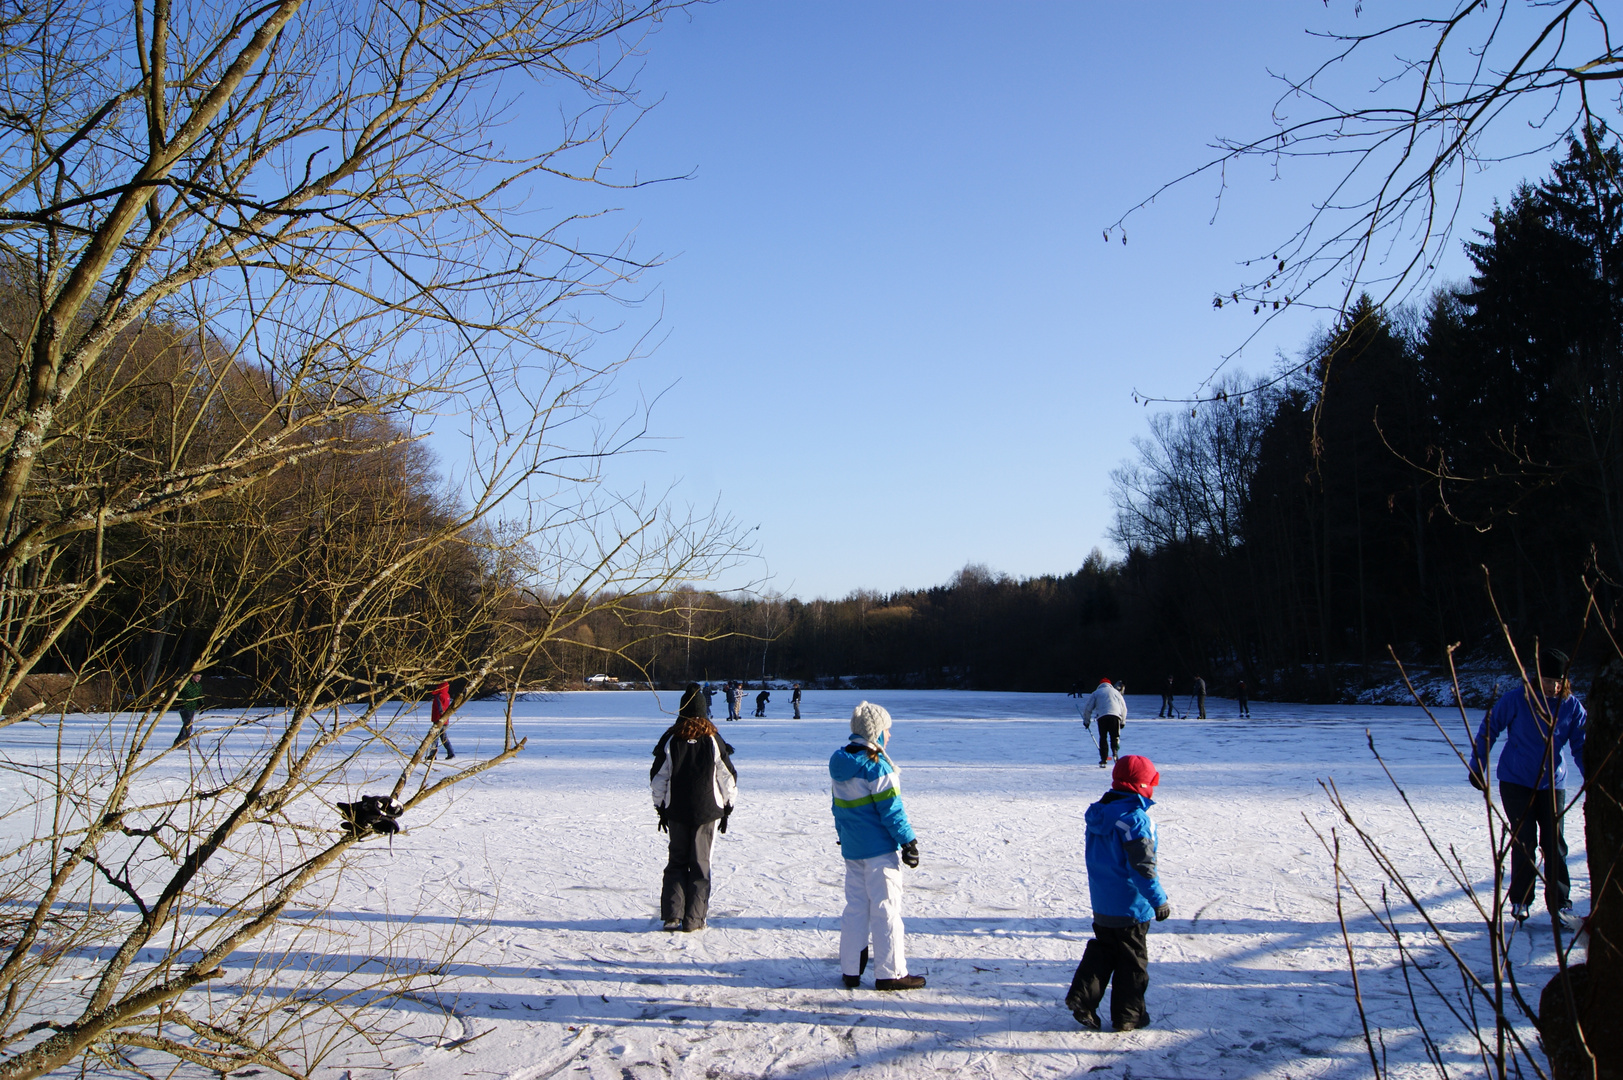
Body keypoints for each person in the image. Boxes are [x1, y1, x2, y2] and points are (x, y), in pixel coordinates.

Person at [1468, 650, 1587, 929]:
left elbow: (1580, 746)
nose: (1553, 686)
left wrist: (1590, 777)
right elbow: (1490, 727)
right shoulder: (1517, 700)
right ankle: (1520, 899)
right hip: (1516, 781)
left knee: (1554, 845)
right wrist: (1478, 764)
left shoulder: (1571, 706)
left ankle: (1560, 904)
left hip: (1552, 784)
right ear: (1536, 677)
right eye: (1548, 679)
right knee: (1525, 841)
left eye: (1559, 681)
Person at [1066, 755, 1170, 1032]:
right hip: (1130, 906)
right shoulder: (1134, 820)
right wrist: (1158, 900)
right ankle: (1128, 1015)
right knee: (1132, 963)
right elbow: (1142, 868)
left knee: (1105, 952)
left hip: (1102, 901)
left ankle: (1083, 998)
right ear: (1143, 786)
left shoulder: (1100, 814)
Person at [830, 701, 924, 991]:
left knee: (856, 908)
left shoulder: (840, 762)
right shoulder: (876, 765)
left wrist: (843, 835)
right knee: (886, 909)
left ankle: (850, 970)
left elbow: (839, 808)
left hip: (853, 849)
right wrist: (908, 841)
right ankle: (890, 973)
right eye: (887, 730)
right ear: (875, 733)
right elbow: (892, 810)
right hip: (879, 852)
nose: (890, 735)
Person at [651, 683, 738, 932]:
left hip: (677, 810)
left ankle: (672, 916)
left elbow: (658, 777)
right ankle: (694, 919)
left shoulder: (671, 739)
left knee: (677, 861)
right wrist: (728, 805)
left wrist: (660, 806)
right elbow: (727, 777)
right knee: (700, 864)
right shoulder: (713, 739)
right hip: (706, 811)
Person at [1080, 677, 1127, 768]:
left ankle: (1104, 759)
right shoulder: (1116, 692)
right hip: (1115, 716)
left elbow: (1088, 708)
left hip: (1102, 717)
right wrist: (1123, 721)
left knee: (1103, 738)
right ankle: (1115, 752)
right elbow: (1123, 708)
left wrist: (1086, 721)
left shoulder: (1096, 693)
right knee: (1115, 736)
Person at [172, 673, 203, 746]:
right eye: (197, 676)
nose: (199, 678)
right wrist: (178, 703)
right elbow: (175, 692)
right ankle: (179, 741)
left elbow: (199, 696)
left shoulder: (198, 686)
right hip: (184, 706)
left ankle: (184, 741)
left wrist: (202, 705)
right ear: (193, 676)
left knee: (189, 725)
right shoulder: (185, 684)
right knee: (187, 723)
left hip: (192, 707)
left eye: (200, 677)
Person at [429, 680, 455, 760]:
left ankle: (432, 754)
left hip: (438, 719)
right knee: (444, 737)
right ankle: (451, 752)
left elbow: (440, 707)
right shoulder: (447, 695)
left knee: (434, 737)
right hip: (445, 720)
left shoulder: (439, 695)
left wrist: (440, 716)